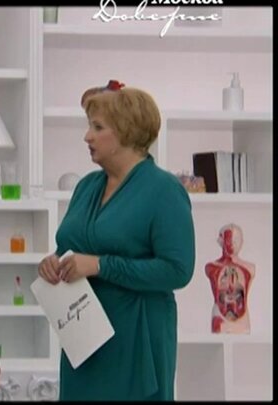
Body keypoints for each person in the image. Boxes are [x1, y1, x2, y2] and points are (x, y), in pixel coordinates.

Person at [37, 80, 195, 400]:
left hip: (136, 340)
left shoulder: (164, 189)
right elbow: (72, 249)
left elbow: (178, 270)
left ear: (126, 132)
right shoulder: (86, 186)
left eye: (97, 127)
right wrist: (54, 263)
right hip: (83, 339)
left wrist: (100, 265)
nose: (87, 136)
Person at [205, 223, 255, 334]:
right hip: (220, 316)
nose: (233, 243)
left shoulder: (250, 269)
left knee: (242, 342)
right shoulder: (212, 267)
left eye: (237, 239)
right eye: (230, 238)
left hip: (242, 319)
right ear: (222, 240)